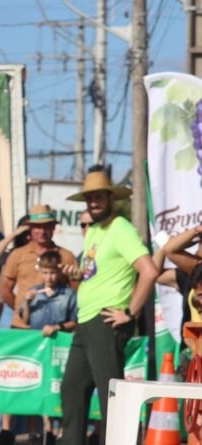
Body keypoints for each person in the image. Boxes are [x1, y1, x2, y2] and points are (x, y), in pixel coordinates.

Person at [60, 171, 158, 444]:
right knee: (72, 389)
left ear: (111, 198)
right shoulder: (93, 231)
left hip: (106, 321)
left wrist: (130, 313)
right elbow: (95, 273)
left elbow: (149, 271)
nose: (93, 202)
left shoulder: (121, 228)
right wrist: (77, 275)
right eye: (89, 198)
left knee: (111, 397)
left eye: (99, 197)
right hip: (86, 321)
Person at [11, 251, 77, 445]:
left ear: (59, 272)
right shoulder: (34, 292)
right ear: (40, 272)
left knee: (59, 387)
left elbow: (75, 321)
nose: (49, 277)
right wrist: (27, 302)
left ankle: (61, 432)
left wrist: (57, 327)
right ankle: (43, 431)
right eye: (46, 273)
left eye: (53, 272)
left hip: (59, 348)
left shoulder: (68, 294)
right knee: (38, 387)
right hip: (38, 350)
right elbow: (25, 320)